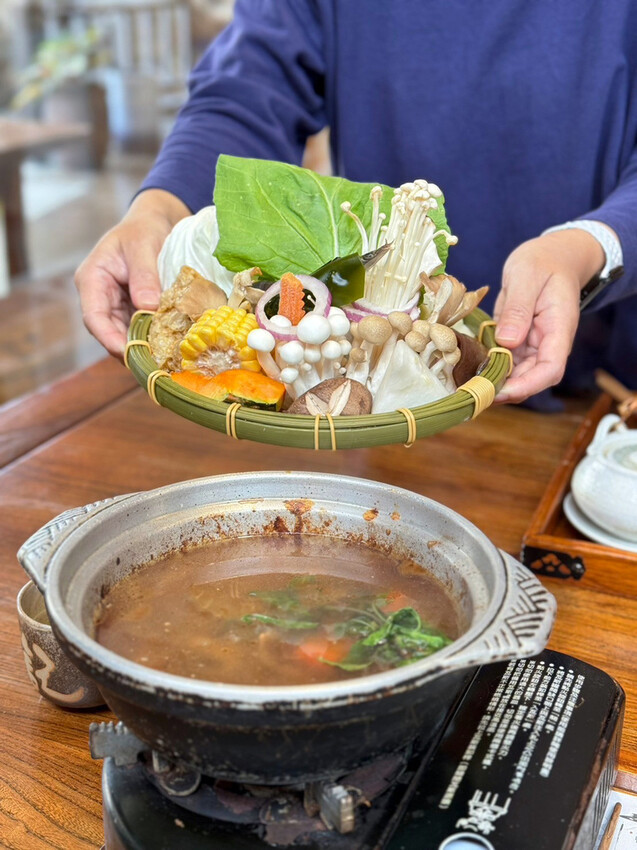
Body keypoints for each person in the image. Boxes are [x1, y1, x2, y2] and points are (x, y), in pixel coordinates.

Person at [75, 1, 637, 405]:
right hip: (365, 392)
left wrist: (596, 243)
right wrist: (161, 206)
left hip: (607, 390)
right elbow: (250, 86)